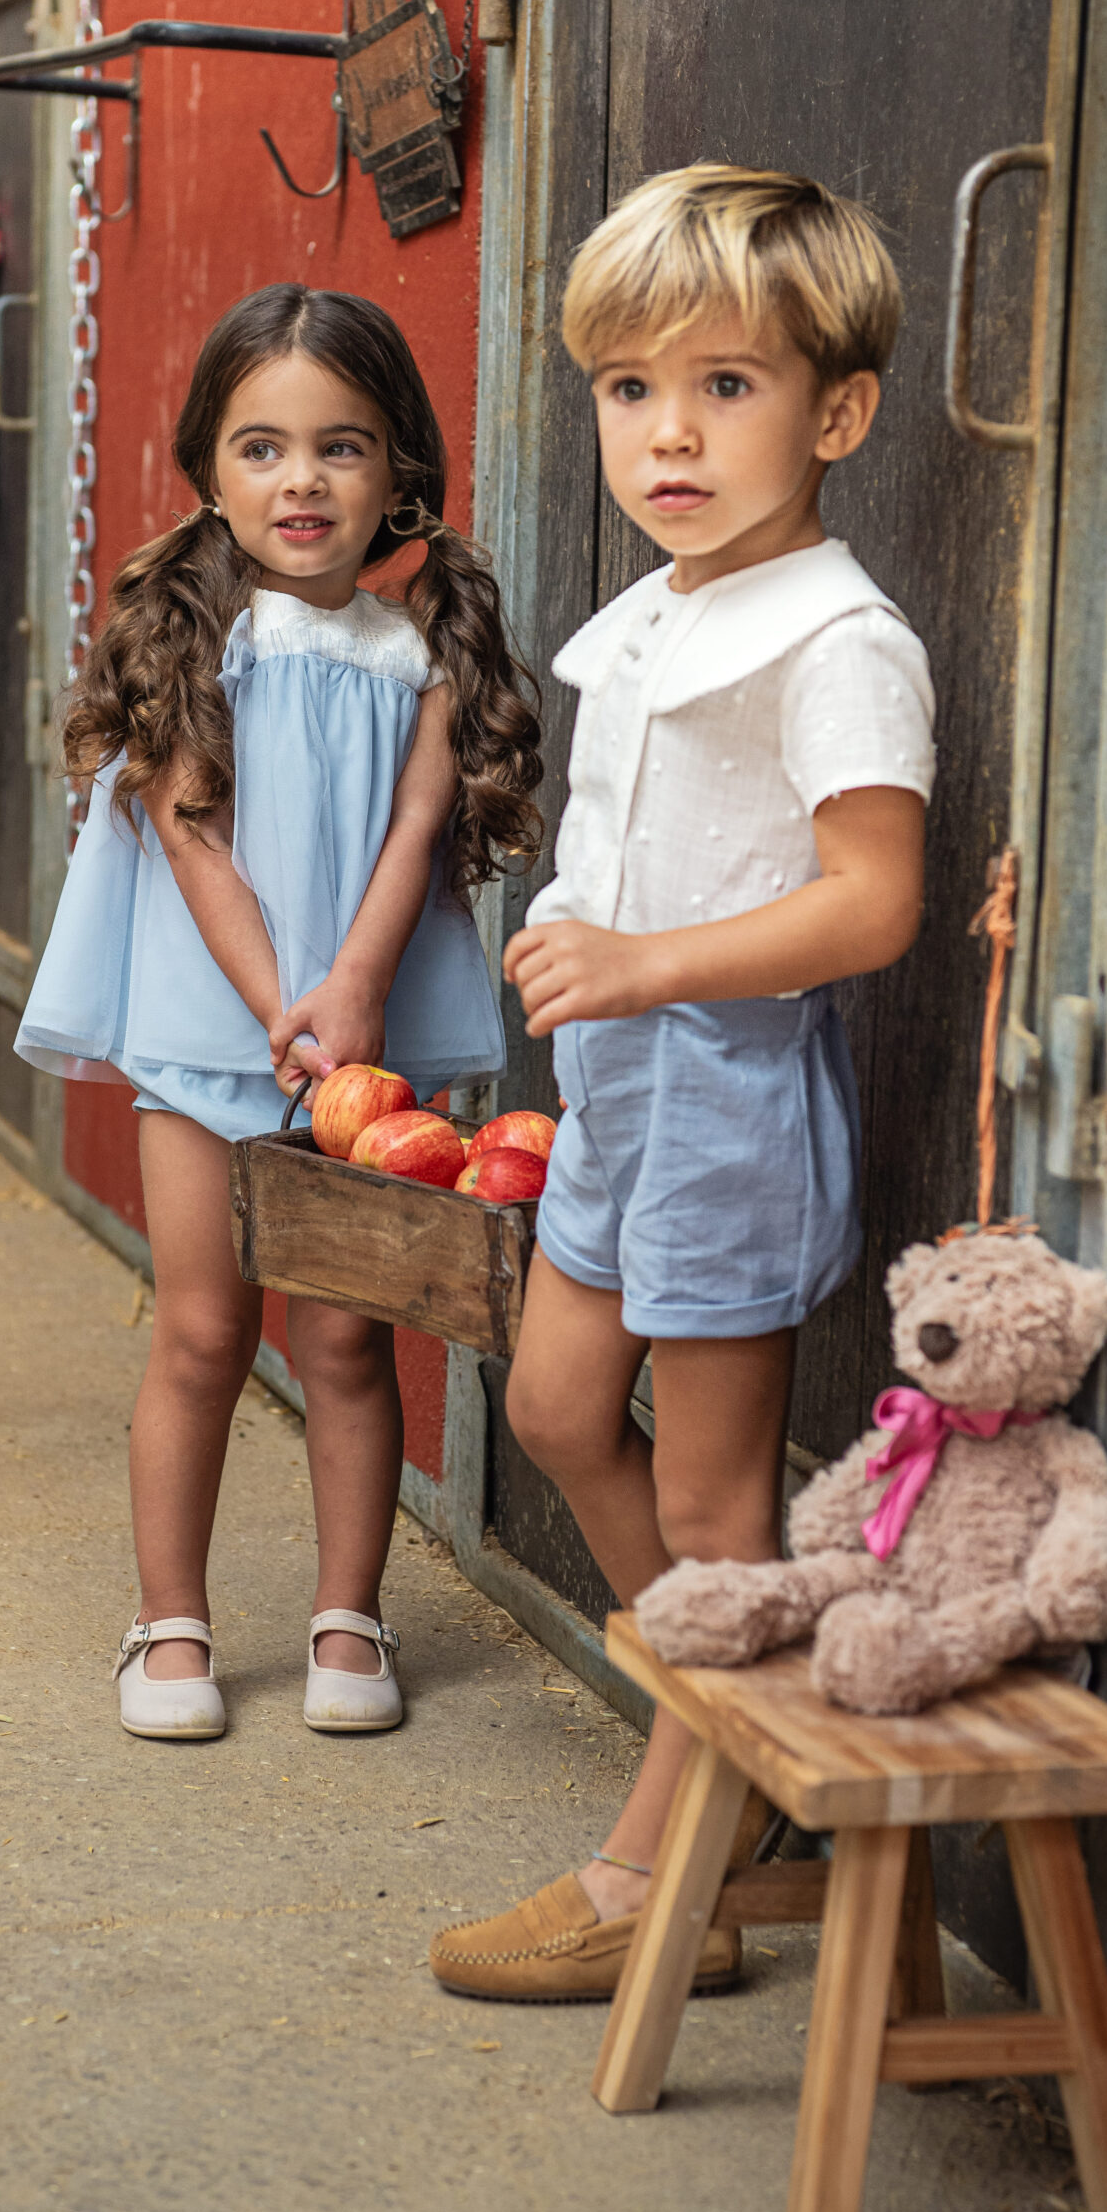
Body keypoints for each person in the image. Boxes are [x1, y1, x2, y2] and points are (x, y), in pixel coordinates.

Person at [429, 165, 934, 2000]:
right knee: (562, 1406)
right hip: (623, 1072)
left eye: (726, 387)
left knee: (716, 1506)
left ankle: (658, 1867)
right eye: (631, 389)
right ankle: (740, 1709)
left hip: (724, 1081)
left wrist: (639, 962)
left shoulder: (839, 641)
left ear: (836, 412)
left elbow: (868, 905)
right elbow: (633, 834)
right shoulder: (654, 612)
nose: (670, 433)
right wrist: (582, 930)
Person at [16, 285, 541, 1744]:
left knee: (347, 1344)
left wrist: (357, 993)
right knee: (198, 1328)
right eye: (260, 448)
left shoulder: (422, 646)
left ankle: (345, 1613)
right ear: (207, 467)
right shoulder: (198, 634)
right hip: (210, 1033)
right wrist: (278, 1011)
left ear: (398, 473)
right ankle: (168, 1622)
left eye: (340, 447)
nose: (299, 481)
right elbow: (193, 837)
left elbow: (420, 823)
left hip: (366, 1039)